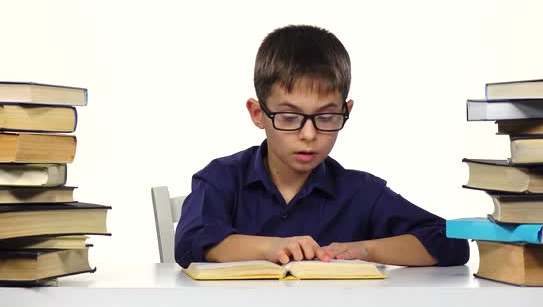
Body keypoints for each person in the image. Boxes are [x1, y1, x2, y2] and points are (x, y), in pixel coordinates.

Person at [175, 25, 469, 268]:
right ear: (257, 114)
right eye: (289, 117)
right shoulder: (222, 179)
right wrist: (271, 248)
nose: (308, 134)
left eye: (326, 117)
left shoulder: (361, 191)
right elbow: (190, 241)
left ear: (346, 111)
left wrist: (365, 250)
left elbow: (450, 242)